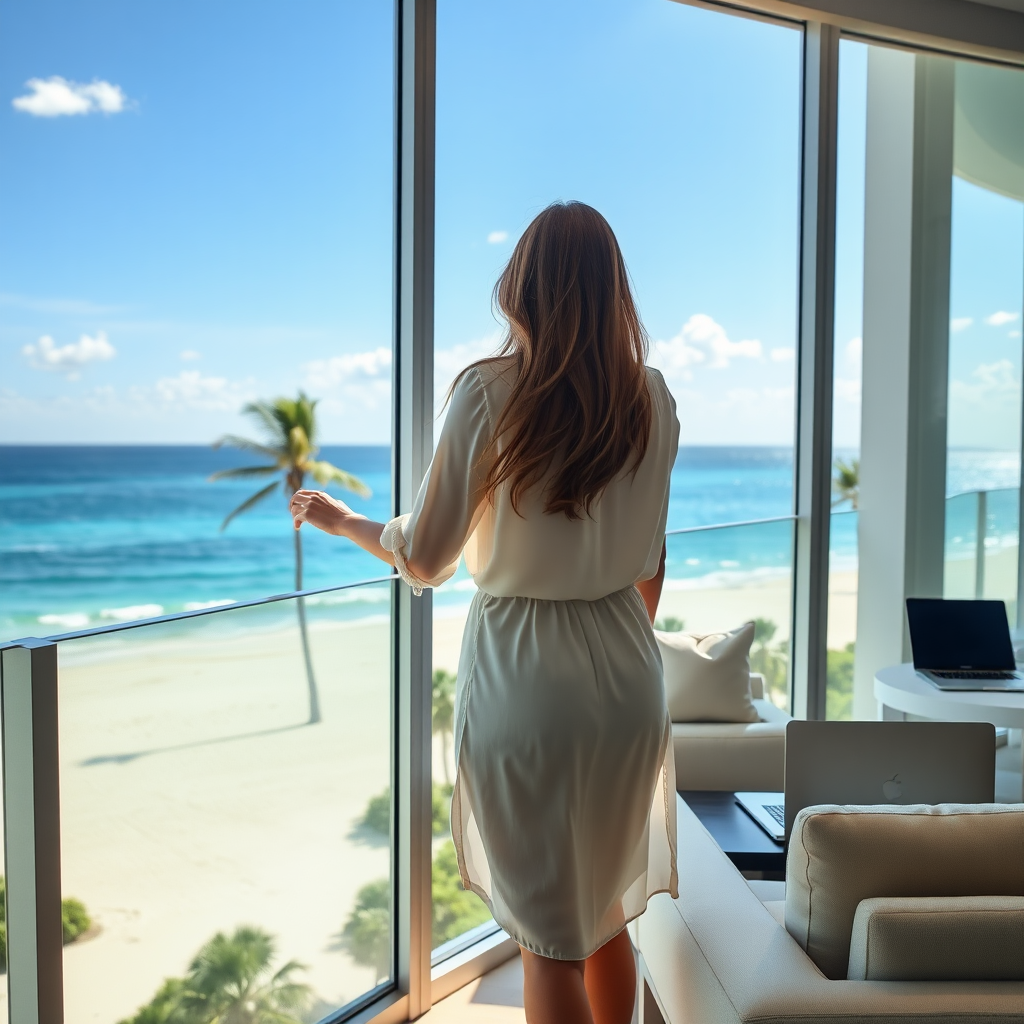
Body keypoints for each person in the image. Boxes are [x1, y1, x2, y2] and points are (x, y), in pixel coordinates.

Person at [291, 201, 679, 1024]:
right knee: (607, 917)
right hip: (626, 671)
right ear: (615, 288)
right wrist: (615, 644)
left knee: (548, 943)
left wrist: (347, 522)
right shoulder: (651, 397)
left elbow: (427, 556)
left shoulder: (488, 390)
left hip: (528, 679)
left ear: (521, 286)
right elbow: (651, 563)